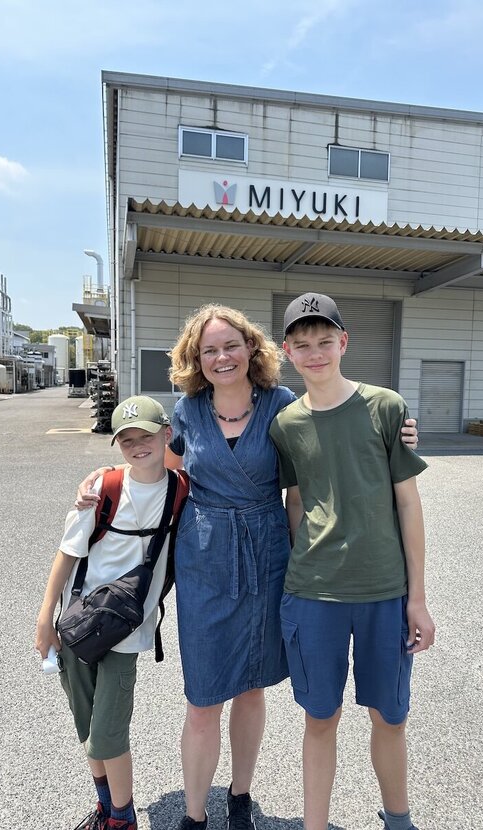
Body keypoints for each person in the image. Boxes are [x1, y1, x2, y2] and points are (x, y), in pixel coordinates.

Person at [76, 304, 420, 830]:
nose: (222, 357)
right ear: (195, 358)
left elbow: (319, 457)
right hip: (205, 559)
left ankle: (240, 795)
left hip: (268, 553)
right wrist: (106, 476)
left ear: (252, 348)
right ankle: (194, 815)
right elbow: (159, 467)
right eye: (209, 350)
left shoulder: (281, 404)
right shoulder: (186, 412)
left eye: (231, 345)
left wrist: (400, 433)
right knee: (202, 696)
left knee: (253, 686)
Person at [268, 293, 435, 830]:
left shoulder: (386, 407)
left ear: (344, 342)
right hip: (313, 593)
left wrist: (417, 598)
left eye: (325, 341)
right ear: (287, 352)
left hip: (384, 590)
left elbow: (408, 503)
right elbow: (296, 504)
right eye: (302, 344)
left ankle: (398, 819)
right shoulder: (286, 424)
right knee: (321, 718)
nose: (315, 353)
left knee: (390, 716)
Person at [35, 396, 179, 830]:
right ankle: (105, 806)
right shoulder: (103, 488)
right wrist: (45, 618)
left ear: (167, 435)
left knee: (108, 732)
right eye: (126, 440)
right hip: (79, 623)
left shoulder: (180, 490)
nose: (137, 446)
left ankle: (122, 817)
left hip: (128, 631)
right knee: (87, 724)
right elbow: (67, 551)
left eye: (146, 436)